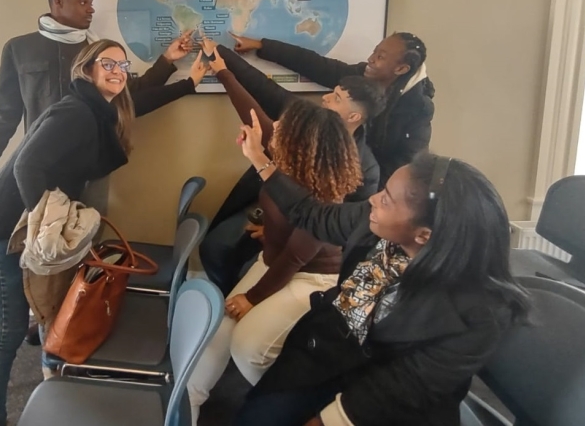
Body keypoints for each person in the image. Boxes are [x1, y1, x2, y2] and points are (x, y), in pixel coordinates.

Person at [0, 40, 207, 426]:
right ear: (87, 68)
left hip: (25, 230)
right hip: (1, 232)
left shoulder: (98, 109)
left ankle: (55, 382)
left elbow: (137, 101)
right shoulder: (75, 112)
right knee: (6, 332)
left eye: (122, 64)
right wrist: (48, 224)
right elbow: (26, 167)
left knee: (50, 312)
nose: (117, 70)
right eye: (107, 63)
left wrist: (187, 82)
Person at [232, 118, 530, 426]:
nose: (373, 199)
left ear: (423, 235)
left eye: (386, 199)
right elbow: (312, 214)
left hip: (391, 404)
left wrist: (325, 421)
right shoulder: (374, 222)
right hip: (331, 355)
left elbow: (399, 389)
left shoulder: (477, 314)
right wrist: (260, 160)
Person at [0, 0, 202, 344]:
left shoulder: (96, 54)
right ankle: (48, 327)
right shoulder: (20, 49)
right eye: (83, 1)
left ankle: (62, 327)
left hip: (82, 176)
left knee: (75, 258)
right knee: (33, 254)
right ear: (57, 2)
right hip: (35, 178)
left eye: (92, 2)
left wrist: (169, 62)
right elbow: (2, 118)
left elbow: (128, 96)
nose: (91, 8)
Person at [187, 60, 362, 424]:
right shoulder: (286, 158)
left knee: (248, 346)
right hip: (275, 261)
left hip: (310, 277)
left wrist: (252, 298)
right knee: (216, 332)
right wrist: (223, 71)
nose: (275, 125)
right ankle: (185, 405)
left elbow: (297, 257)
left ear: (300, 144)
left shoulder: (325, 191)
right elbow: (254, 116)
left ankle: (287, 407)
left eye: (283, 126)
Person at [198, 38, 385, 295]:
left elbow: (327, 233)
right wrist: (223, 71)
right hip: (277, 218)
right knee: (216, 247)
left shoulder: (363, 168)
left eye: (337, 98)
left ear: (354, 117)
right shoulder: (308, 126)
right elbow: (261, 120)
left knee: (243, 284)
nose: (325, 98)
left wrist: (251, 297)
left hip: (310, 257)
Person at [230, 31, 434, 186]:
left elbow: (404, 166)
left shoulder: (418, 111)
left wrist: (364, 195)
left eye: (380, 57)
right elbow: (317, 65)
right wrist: (262, 46)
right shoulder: (365, 75)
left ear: (401, 69)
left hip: (354, 189)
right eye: (374, 51)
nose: (371, 59)